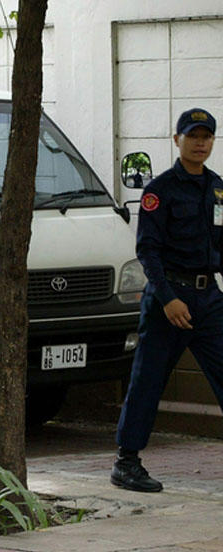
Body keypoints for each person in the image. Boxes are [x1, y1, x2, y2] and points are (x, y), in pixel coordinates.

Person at [112, 108, 223, 493]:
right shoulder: (159, 191)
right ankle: (127, 462)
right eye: (192, 136)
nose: (200, 143)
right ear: (177, 140)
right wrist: (169, 299)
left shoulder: (218, 188)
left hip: (208, 298)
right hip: (168, 301)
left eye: (206, 136)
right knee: (148, 380)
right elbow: (148, 252)